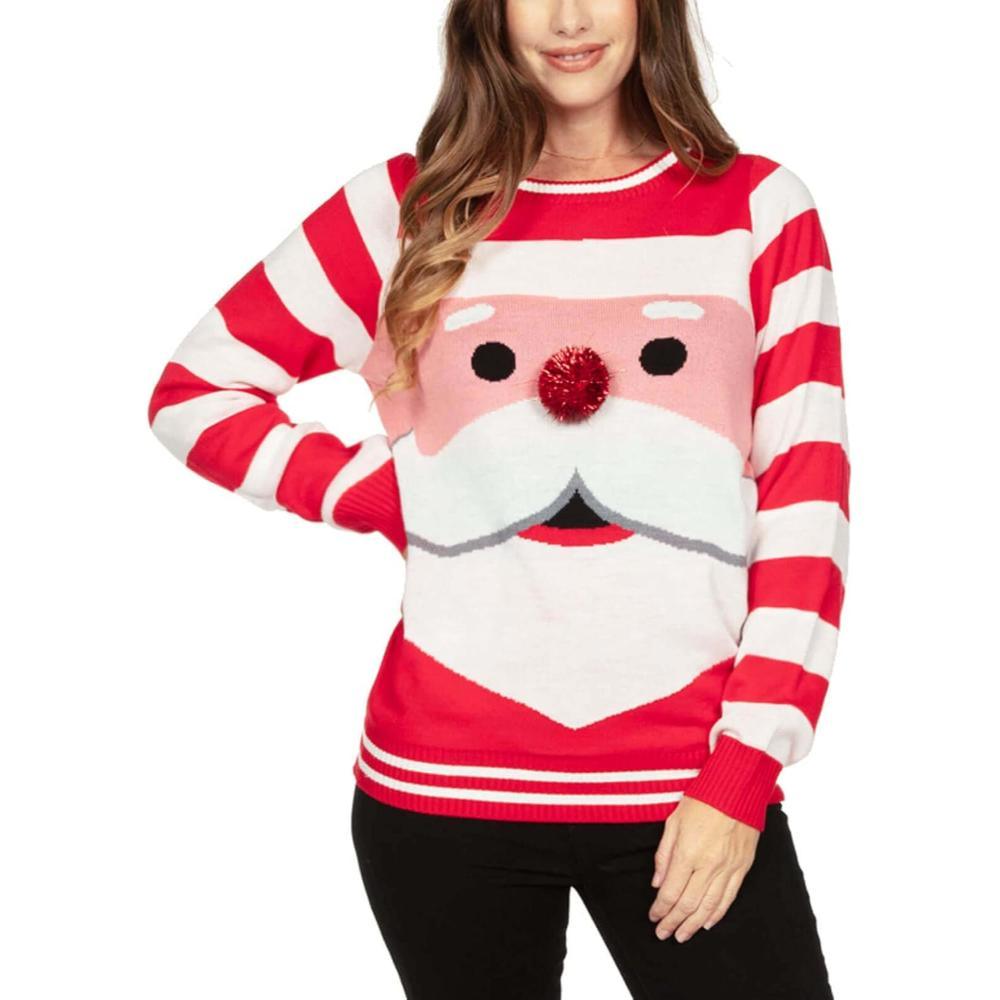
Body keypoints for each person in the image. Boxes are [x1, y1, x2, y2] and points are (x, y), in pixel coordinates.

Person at [147, 1, 848, 996]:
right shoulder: (403, 208)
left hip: (685, 781)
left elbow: (805, 500)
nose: (569, 18)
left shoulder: (757, 207)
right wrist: (385, 492)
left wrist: (741, 774)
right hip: (440, 790)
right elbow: (196, 391)